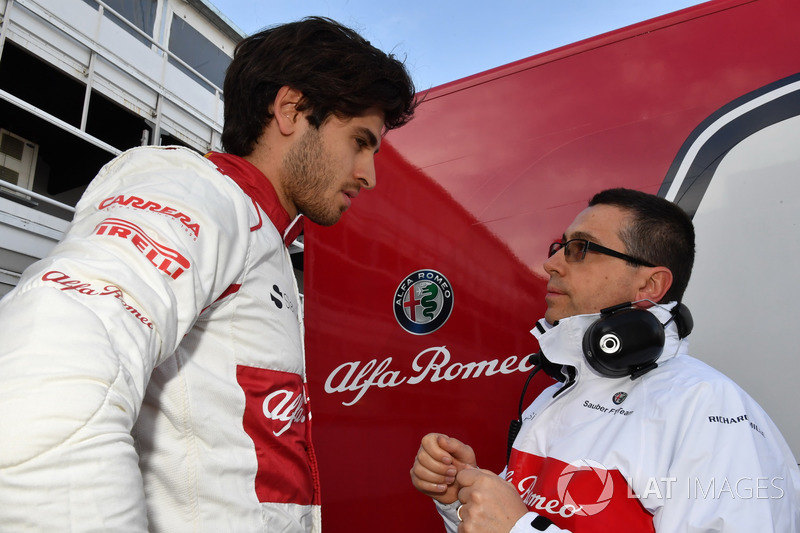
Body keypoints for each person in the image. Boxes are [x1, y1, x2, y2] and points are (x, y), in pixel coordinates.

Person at [0, 17, 416, 532]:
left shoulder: (264, 236)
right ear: (291, 110)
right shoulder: (199, 192)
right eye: (360, 141)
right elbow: (47, 363)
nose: (369, 175)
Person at [410, 188, 800, 532]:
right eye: (559, 246)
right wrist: (460, 502)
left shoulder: (710, 410)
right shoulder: (552, 397)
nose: (552, 263)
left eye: (581, 249)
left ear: (650, 285)